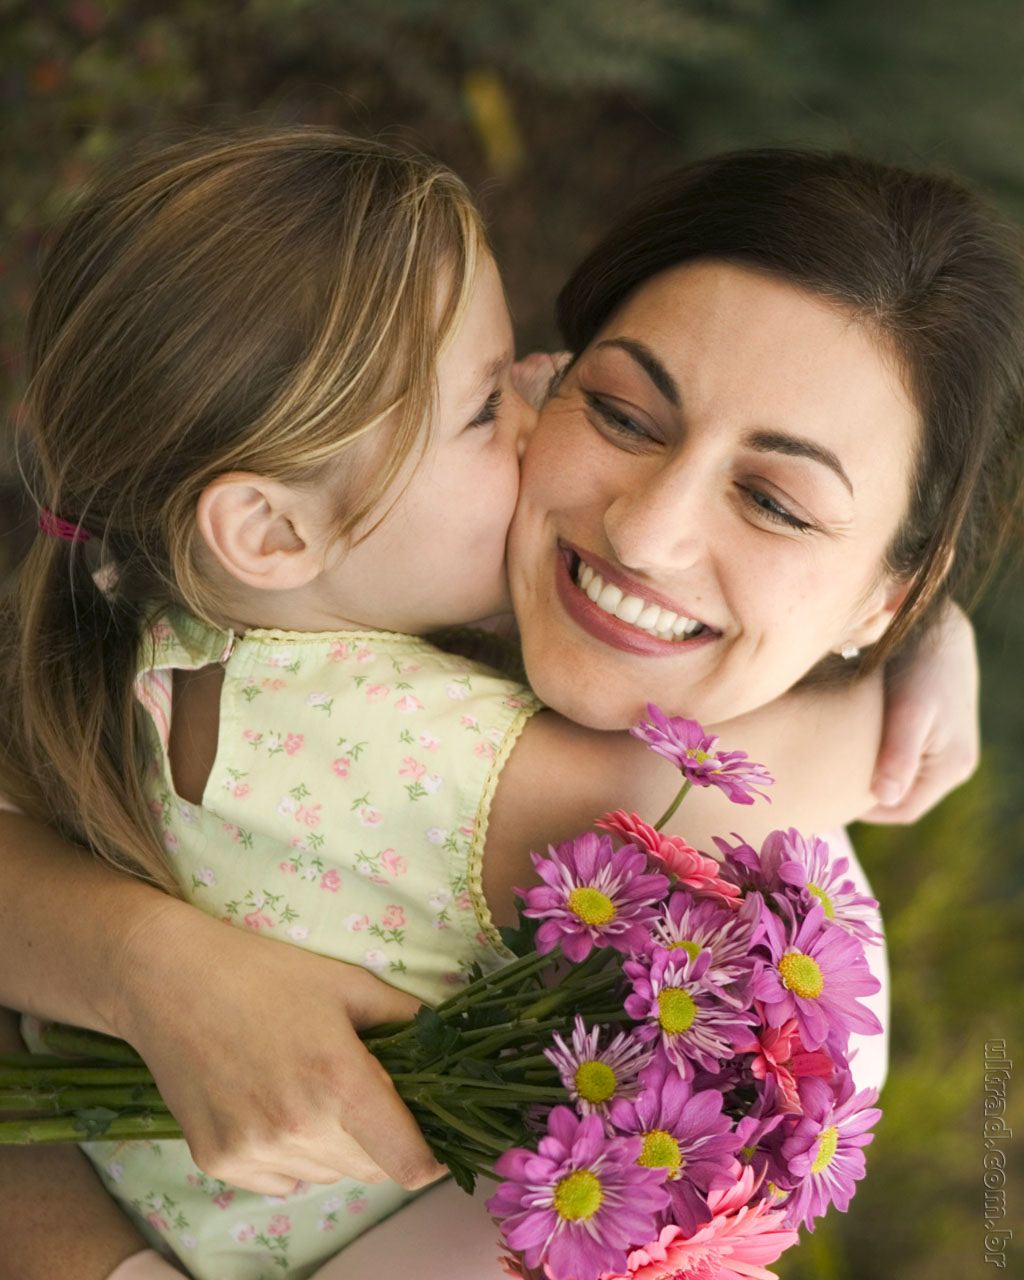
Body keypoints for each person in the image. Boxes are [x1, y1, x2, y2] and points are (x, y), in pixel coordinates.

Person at [0, 139, 1015, 1278]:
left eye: (774, 499)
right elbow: (686, 788)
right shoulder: (406, 690)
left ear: (887, 582)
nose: (643, 531)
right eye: (621, 411)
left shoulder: (792, 1022)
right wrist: (906, 664)